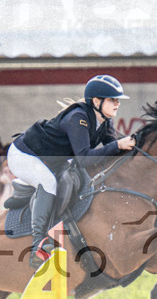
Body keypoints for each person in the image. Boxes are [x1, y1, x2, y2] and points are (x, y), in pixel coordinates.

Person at [8, 74, 136, 266]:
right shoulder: (78, 118)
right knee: (49, 183)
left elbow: (112, 151)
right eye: (112, 99)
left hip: (49, 160)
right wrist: (118, 145)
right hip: (25, 155)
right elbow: (84, 158)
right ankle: (38, 245)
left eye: (118, 100)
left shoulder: (105, 120)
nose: (117, 104)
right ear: (96, 101)